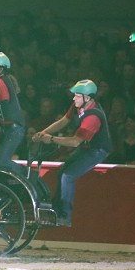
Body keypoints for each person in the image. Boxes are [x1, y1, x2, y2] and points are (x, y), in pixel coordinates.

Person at [32, 80, 111, 226]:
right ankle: (56, 210)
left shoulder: (92, 117)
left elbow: (75, 142)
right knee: (62, 171)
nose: (74, 99)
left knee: (68, 176)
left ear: (87, 98)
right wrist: (43, 133)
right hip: (86, 147)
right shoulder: (79, 106)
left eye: (77, 96)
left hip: (97, 150)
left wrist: (52, 139)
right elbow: (63, 121)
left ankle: (65, 216)